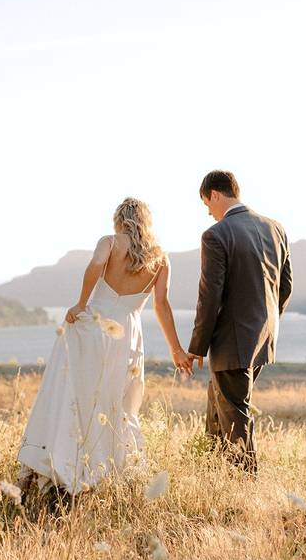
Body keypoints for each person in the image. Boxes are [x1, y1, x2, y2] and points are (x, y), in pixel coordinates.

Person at [16, 197, 192, 497]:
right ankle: (106, 471)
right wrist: (176, 348)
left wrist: (80, 304)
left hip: (94, 326)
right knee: (118, 404)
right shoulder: (160, 258)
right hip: (129, 336)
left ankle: (64, 465)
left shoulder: (110, 242)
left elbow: (96, 266)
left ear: (119, 219)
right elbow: (161, 305)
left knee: (74, 395)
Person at [187, 170, 293, 474]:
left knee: (235, 413)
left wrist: (197, 347)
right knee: (219, 403)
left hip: (232, 340)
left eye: (207, 203)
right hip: (262, 336)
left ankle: (243, 482)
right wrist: (265, 321)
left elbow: (209, 297)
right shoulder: (276, 228)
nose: (208, 211)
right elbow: (285, 287)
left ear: (216, 195)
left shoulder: (216, 235)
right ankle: (211, 471)